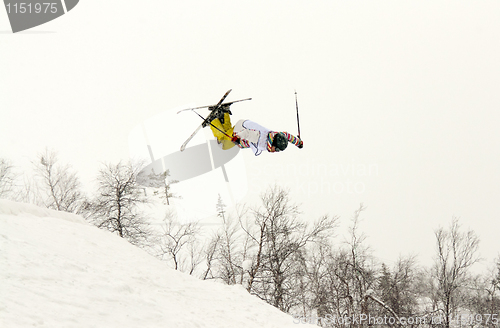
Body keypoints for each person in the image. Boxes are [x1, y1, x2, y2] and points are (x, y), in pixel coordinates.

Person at [208, 109, 303, 156]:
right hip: (241, 131)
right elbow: (247, 134)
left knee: (228, 133)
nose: (275, 152)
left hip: (244, 125)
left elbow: (288, 136)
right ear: (273, 144)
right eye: (277, 149)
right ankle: (213, 119)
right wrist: (237, 139)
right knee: (223, 144)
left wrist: (298, 143)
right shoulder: (261, 141)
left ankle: (224, 113)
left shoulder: (274, 134)